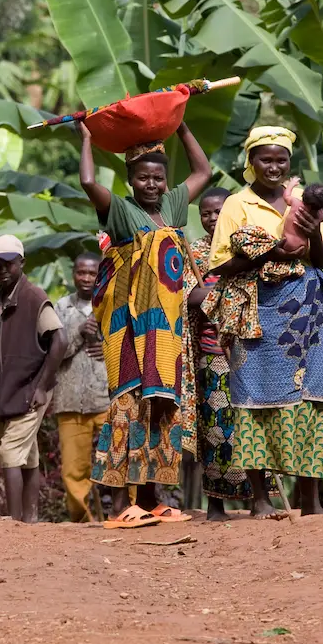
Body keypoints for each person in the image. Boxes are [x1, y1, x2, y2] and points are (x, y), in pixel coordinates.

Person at [79, 121, 213, 529]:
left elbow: (203, 171)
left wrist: (182, 124)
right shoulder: (121, 212)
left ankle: (152, 500)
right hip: (127, 329)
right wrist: (87, 139)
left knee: (160, 407)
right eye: (142, 177)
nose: (151, 184)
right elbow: (88, 182)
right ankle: (120, 505)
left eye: (157, 177)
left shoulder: (171, 207)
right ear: (130, 180)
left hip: (165, 330)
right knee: (127, 406)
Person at [204, 127, 323, 518]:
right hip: (258, 312)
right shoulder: (236, 204)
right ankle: (260, 500)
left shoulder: (302, 199)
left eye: (281, 160)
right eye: (265, 159)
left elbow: (321, 258)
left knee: (310, 399)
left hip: (307, 314)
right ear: (251, 162)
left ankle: (311, 501)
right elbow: (221, 265)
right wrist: (272, 253)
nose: (274, 167)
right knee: (253, 398)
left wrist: (312, 233)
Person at [0, 234, 69, 523]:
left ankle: (14, 522)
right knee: (27, 455)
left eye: (8, 263)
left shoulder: (33, 298)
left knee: (9, 453)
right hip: (4, 392)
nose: (2, 269)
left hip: (30, 388)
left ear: (21, 263)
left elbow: (60, 340)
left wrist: (42, 387)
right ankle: (30, 520)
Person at [186, 186, 250, 521]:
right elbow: (188, 296)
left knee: (250, 428)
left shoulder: (246, 247)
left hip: (248, 352)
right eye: (206, 213)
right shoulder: (196, 252)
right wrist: (220, 293)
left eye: (219, 211)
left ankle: (260, 501)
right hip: (212, 355)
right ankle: (215, 504)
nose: (212, 218)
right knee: (215, 429)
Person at [50, 251, 109, 522]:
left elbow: (130, 346)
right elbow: (51, 353)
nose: (86, 278)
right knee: (73, 470)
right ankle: (81, 521)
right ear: (73, 274)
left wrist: (106, 348)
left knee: (120, 460)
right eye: (81, 272)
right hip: (71, 400)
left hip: (108, 398)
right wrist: (78, 333)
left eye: (92, 273)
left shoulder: (113, 304)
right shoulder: (60, 308)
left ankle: (126, 513)